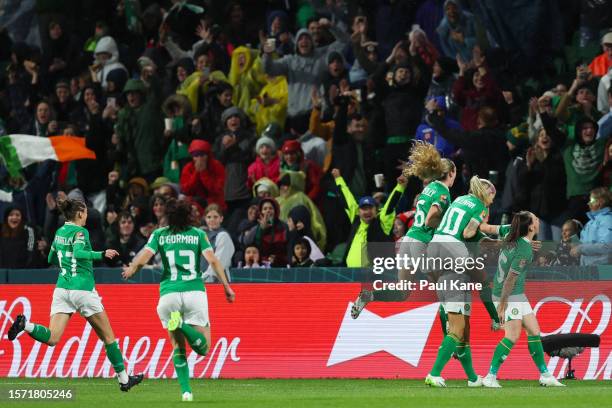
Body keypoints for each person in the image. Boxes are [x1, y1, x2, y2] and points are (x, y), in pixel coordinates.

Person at [7, 197, 143, 392]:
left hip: (62, 289)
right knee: (109, 338)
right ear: (79, 213)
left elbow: (52, 257)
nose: (87, 214)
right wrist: (100, 254)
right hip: (82, 289)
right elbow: (79, 253)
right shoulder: (81, 232)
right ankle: (124, 379)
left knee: (53, 338)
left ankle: (25, 324)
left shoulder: (60, 232)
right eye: (85, 211)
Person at [122, 198, 235, 402]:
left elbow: (144, 258)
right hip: (194, 292)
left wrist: (132, 269)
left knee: (178, 347)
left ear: (168, 216)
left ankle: (186, 392)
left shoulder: (159, 234)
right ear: (189, 216)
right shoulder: (199, 234)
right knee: (203, 348)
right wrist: (226, 287)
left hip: (169, 295)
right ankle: (182, 324)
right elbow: (213, 260)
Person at [351, 142, 456, 317]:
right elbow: (431, 217)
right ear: (451, 174)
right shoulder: (443, 192)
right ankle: (450, 329)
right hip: (422, 242)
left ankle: (370, 295)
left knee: (403, 292)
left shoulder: (428, 189)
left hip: (408, 240)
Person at [425, 176, 501, 388]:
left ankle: (473, 378)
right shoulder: (480, 207)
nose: (492, 203)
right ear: (487, 194)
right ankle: (434, 373)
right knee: (458, 325)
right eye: (492, 198)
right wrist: (495, 242)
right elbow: (468, 233)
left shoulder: (459, 199)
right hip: (453, 253)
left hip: (434, 250)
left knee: (462, 318)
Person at [483, 211, 565, 388]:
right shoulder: (524, 249)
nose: (538, 220)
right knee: (512, 336)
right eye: (535, 218)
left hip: (516, 293)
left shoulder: (508, 232)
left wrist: (479, 219)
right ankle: (490, 376)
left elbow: (486, 228)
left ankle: (545, 375)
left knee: (534, 331)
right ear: (530, 227)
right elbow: (510, 280)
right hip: (509, 294)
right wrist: (502, 306)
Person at [332, 168, 407, 268]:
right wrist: (338, 179)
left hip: (372, 277)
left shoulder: (382, 222)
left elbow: (391, 204)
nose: (367, 212)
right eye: (364, 208)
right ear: (359, 211)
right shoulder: (356, 219)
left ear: (376, 211)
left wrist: (400, 186)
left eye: (370, 208)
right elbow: (346, 197)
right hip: (350, 275)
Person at [180, 139, 226, 210]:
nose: (199, 159)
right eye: (196, 156)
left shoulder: (217, 166)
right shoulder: (188, 168)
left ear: (208, 155)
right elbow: (187, 190)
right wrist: (196, 172)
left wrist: (204, 173)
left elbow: (217, 189)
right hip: (194, 205)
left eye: (202, 155)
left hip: (215, 206)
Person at [571, 187, 612, 266]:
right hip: (589, 270)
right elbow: (584, 244)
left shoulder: (607, 220)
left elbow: (608, 246)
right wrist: (575, 245)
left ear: (600, 202)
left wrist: (581, 249)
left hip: (602, 270)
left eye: (591, 200)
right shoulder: (590, 222)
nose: (588, 203)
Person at [201, 204, 235, 283]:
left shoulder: (223, 236)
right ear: (205, 219)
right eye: (209, 217)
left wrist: (206, 277)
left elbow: (218, 261)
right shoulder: (203, 235)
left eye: (215, 217)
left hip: (218, 282)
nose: (212, 219)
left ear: (221, 219)